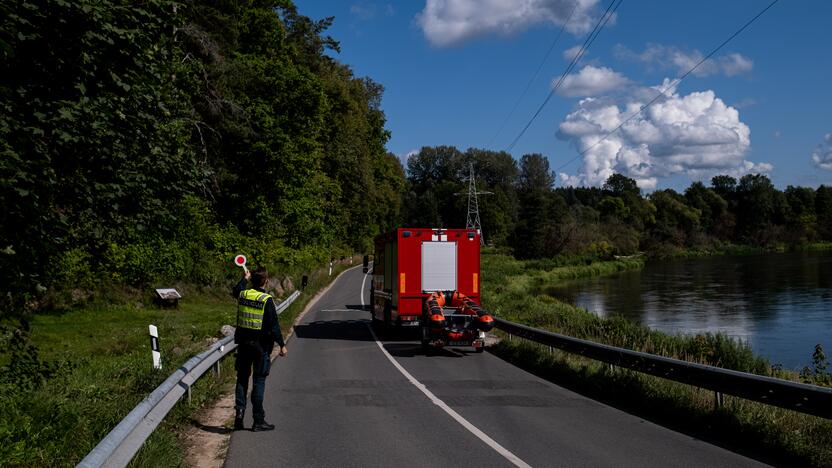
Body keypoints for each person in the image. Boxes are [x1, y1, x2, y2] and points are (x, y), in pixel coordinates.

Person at [231, 266, 288, 431]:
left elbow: (236, 290)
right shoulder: (266, 299)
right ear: (266, 281)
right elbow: (274, 326)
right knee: (258, 381)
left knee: (242, 379)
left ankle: (239, 417)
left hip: (243, 345)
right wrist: (282, 345)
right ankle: (258, 420)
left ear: (253, 280)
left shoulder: (244, 294)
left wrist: (244, 278)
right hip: (261, 347)